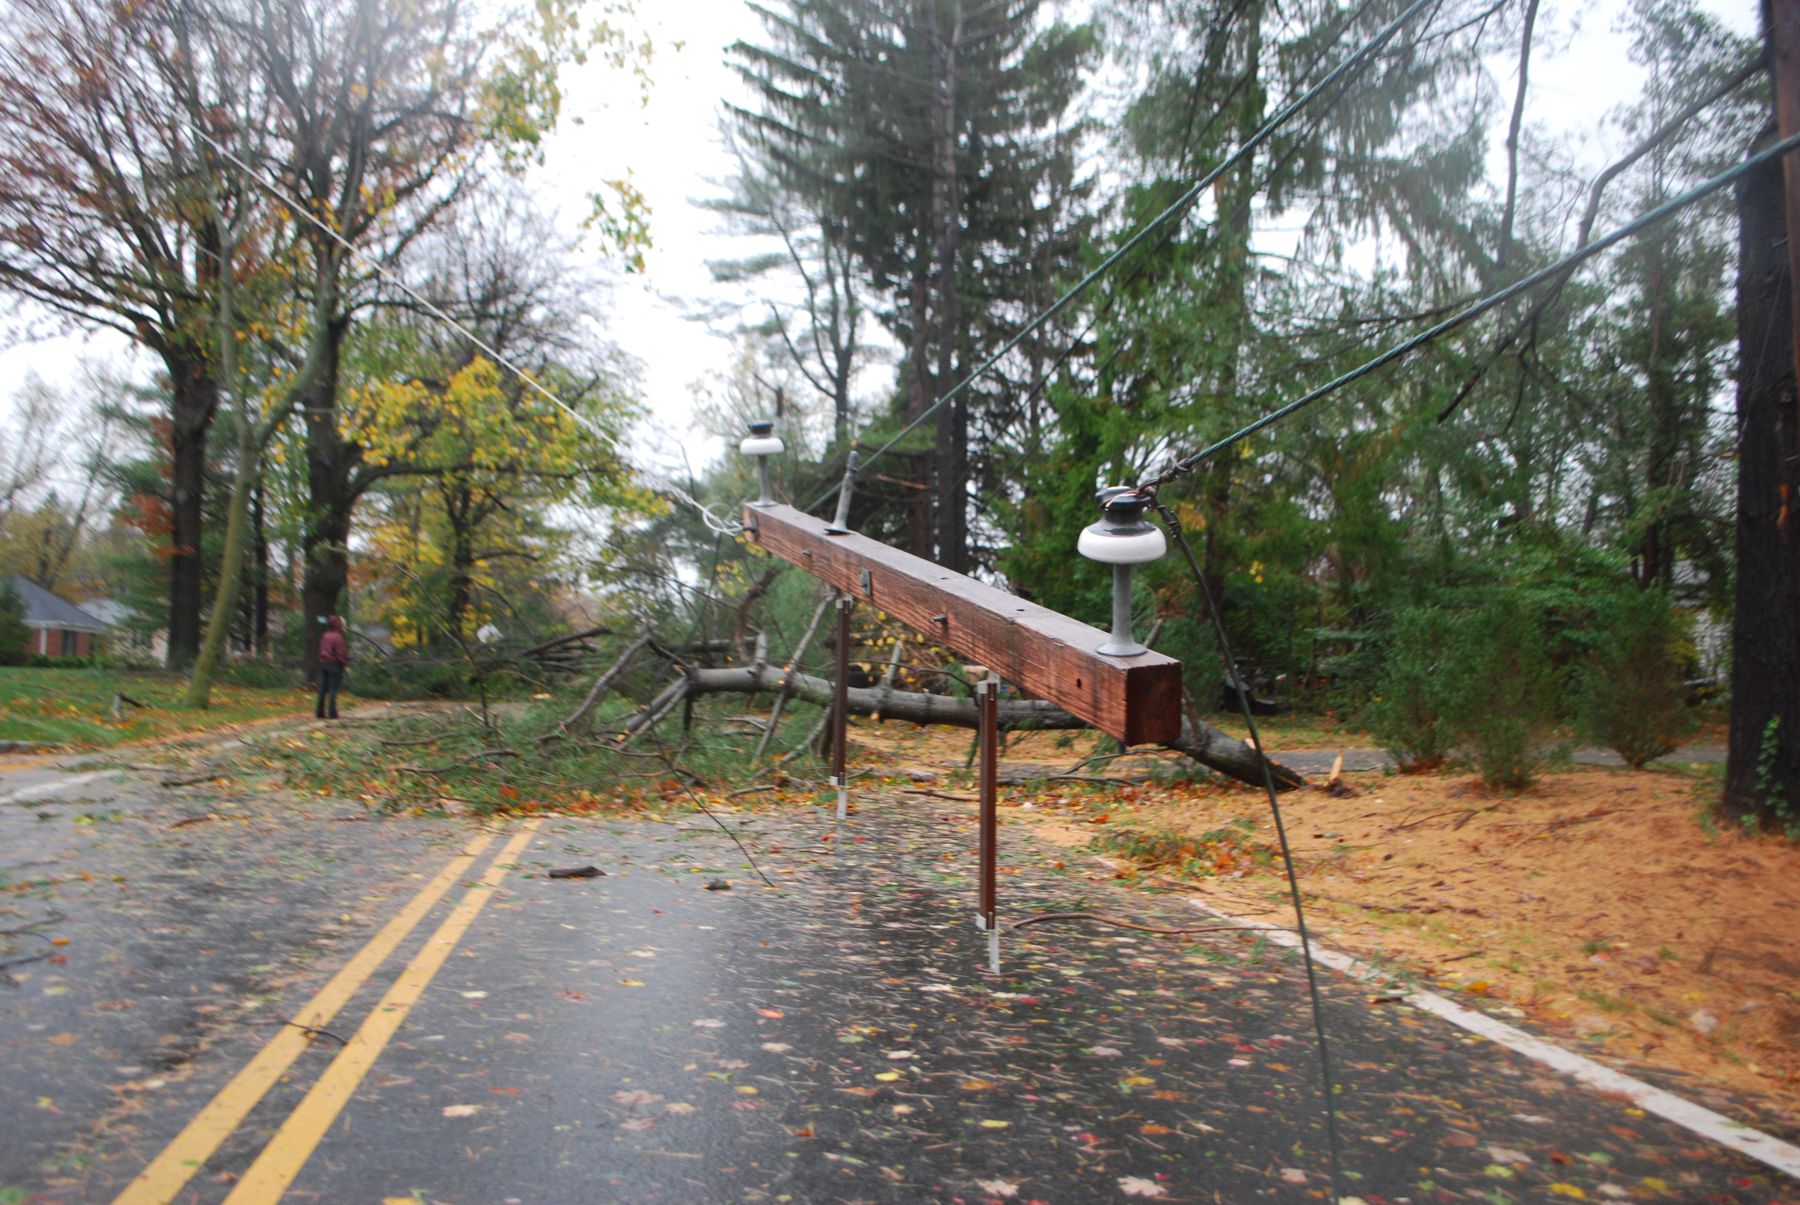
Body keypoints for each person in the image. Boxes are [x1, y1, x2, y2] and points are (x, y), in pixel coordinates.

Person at [317, 615, 349, 719]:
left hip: (323, 664)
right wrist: (344, 662)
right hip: (334, 665)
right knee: (333, 689)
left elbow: (322, 649)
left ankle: (319, 712)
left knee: (322, 689)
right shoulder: (338, 637)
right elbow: (341, 653)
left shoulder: (325, 635)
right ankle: (332, 713)